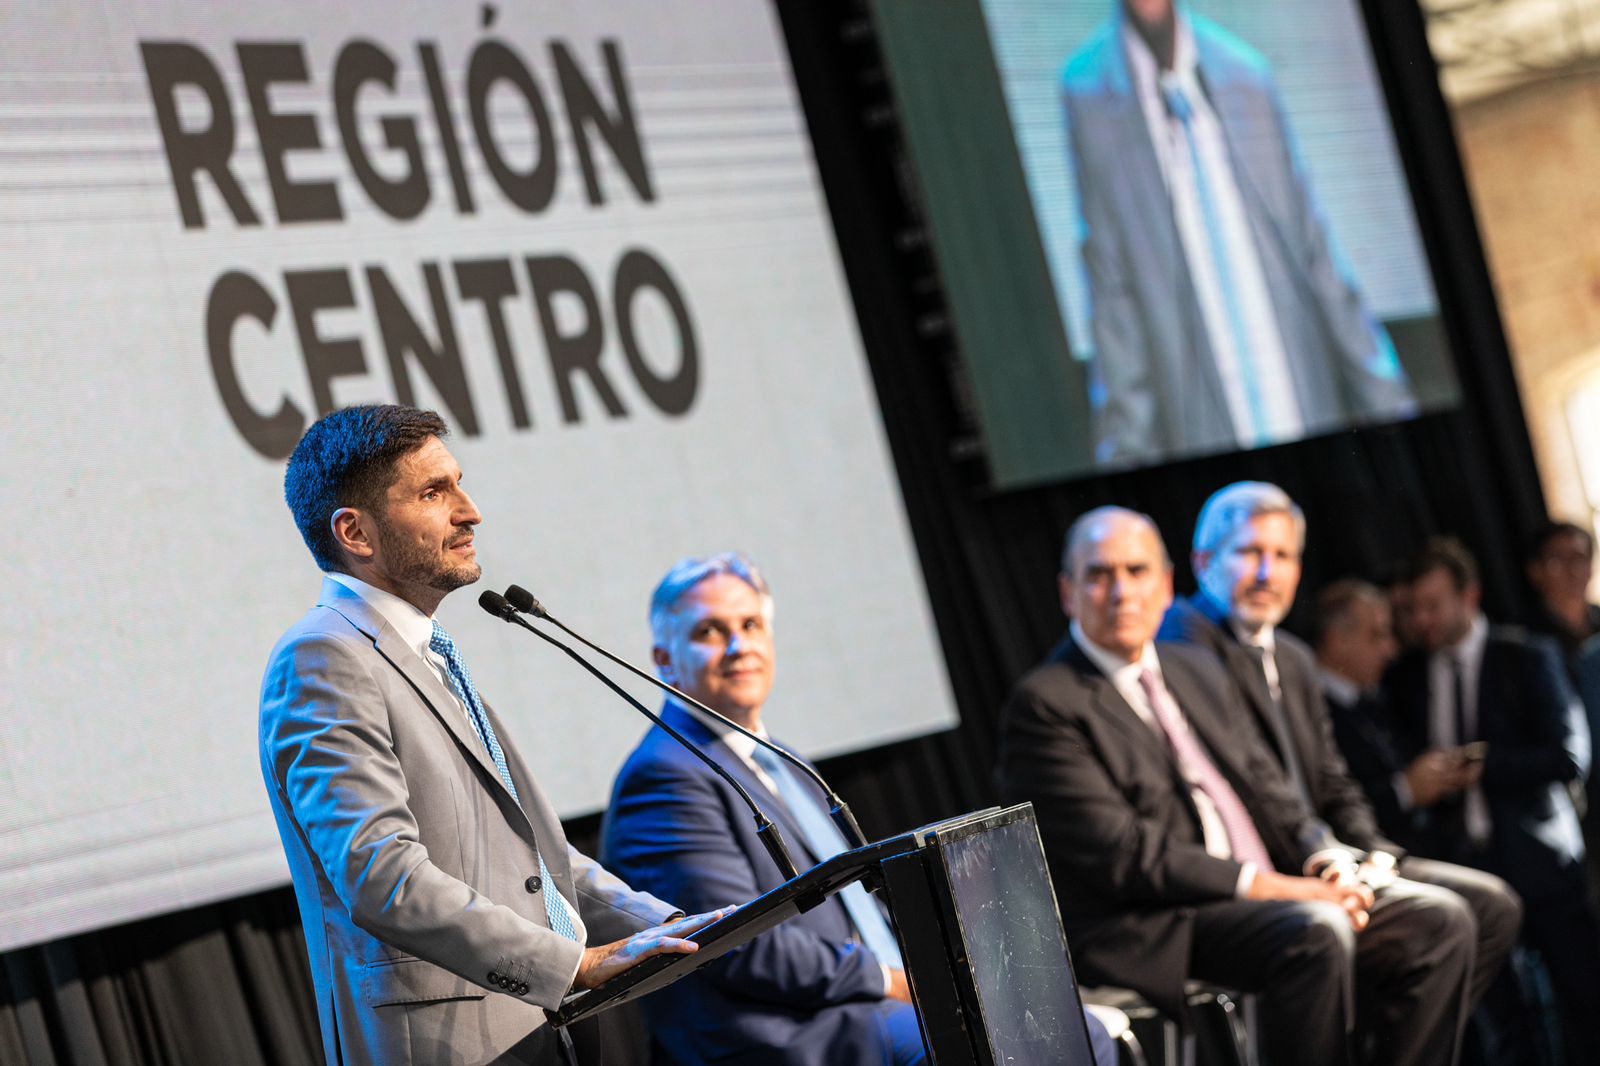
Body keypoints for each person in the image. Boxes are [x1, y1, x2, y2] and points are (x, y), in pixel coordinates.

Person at [259, 405, 725, 1066]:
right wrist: (575, 963)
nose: (470, 510)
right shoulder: (324, 659)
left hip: (532, 1034)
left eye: (459, 483)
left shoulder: (427, 652)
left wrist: (668, 926)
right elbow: (381, 876)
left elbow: (534, 864)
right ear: (355, 533)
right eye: (432, 492)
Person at [997, 507, 1476, 1066]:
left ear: (1166, 584)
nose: (1121, 591)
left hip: (1262, 894)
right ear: (1067, 592)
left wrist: (1323, 857)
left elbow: (1269, 787)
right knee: (1316, 931)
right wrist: (1279, 888)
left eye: (1136, 571)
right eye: (1100, 575)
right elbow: (1127, 854)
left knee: (1444, 921)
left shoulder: (1193, 667)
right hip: (1163, 918)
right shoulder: (1046, 704)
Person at [600, 553, 1119, 1065]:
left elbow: (859, 903)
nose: (740, 647)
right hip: (786, 1031)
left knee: (1076, 1030)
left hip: (852, 1000)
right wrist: (893, 979)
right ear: (663, 659)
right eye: (710, 632)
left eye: (752, 624)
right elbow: (739, 945)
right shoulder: (665, 777)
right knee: (996, 1045)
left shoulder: (781, 759)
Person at [1160, 483, 1520, 1021]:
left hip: (1334, 851)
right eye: (1250, 553)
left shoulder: (1294, 657)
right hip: (1278, 872)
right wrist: (1329, 859)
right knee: (1445, 921)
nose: (1267, 573)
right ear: (1203, 561)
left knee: (1493, 905)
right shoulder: (1185, 645)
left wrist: (1373, 851)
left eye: (1281, 556)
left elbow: (1332, 780)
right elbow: (1256, 783)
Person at [1063, 0, 1415, 465]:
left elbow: (1315, 253)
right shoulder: (1088, 91)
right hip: (1200, 419)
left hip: (1296, 396)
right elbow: (1111, 294)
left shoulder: (1245, 72)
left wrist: (1392, 408)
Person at [1386, 536, 1600, 1063]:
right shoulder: (1406, 678)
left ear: (1469, 596)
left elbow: (1570, 756)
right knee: (1506, 1026)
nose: (1425, 620)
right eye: (1414, 609)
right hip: (1466, 873)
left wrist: (1485, 765)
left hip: (1542, 863)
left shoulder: (1525, 655)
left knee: (1586, 1006)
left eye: (1435, 605)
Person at [1314, 579, 1477, 857]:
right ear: (1337, 640)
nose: (1390, 649)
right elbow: (1329, 808)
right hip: (1370, 856)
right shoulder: (1314, 710)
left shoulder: (1377, 700)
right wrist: (1406, 790)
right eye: (1377, 636)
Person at [1523, 520, 1600, 670]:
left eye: (1580, 558)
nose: (1573, 570)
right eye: (1558, 560)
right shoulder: (1527, 639)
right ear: (1536, 571)